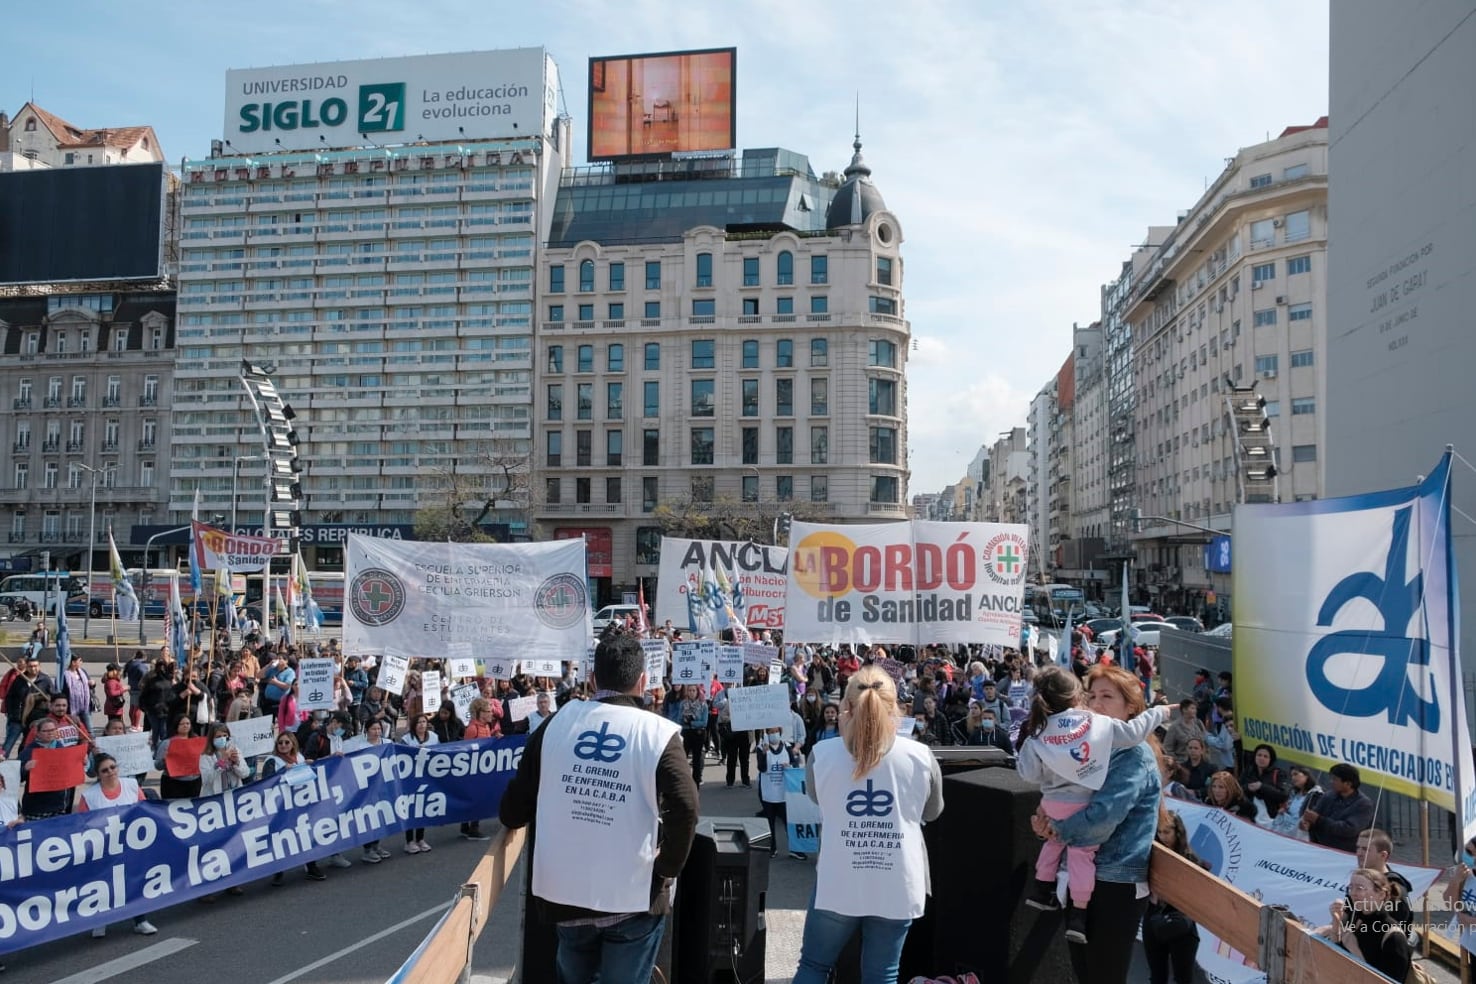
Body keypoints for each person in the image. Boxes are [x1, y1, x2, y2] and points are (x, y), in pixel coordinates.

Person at [498, 631, 700, 984]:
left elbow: (514, 810)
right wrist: (666, 867)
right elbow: (686, 806)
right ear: (643, 681)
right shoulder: (659, 733)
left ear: (592, 679)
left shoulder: (555, 724)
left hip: (565, 895)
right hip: (631, 896)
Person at [792, 666, 944, 984]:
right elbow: (932, 812)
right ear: (896, 709)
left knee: (814, 966)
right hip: (897, 878)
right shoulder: (921, 756)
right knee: (882, 974)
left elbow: (818, 798)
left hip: (840, 876)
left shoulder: (822, 754)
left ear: (846, 708)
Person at [1031, 665, 1163, 984]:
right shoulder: (1093, 748)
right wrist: (1044, 819)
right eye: (1091, 696)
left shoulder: (1134, 755)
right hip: (1082, 876)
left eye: (1107, 696)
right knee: (1085, 972)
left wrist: (1054, 830)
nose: (1096, 704)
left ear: (1131, 708)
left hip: (1114, 883)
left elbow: (1101, 820)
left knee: (1103, 976)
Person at [76, 753, 159, 936]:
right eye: (105, 770)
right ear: (98, 774)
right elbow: (82, 823)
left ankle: (140, 920)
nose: (110, 772)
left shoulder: (131, 785)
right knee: (104, 884)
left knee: (133, 882)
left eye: (113, 767)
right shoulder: (90, 796)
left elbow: (144, 810)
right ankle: (101, 921)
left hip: (131, 844)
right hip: (104, 847)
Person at [1318, 868, 1412, 981]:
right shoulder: (1356, 919)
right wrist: (1336, 924)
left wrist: (1355, 950)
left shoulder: (1394, 936)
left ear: (1381, 894)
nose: (1353, 893)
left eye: (1360, 888)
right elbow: (1338, 959)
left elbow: (1391, 980)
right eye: (1351, 888)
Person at [1141, 811, 1202, 984]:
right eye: (1159, 832)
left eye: (1167, 832)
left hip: (1180, 920)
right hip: (1153, 917)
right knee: (1157, 977)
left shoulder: (1190, 859)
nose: (1163, 836)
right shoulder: (1150, 854)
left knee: (1183, 979)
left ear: (1178, 831)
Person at [262, 733, 328, 884]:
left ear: (293, 743)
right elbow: (266, 782)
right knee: (281, 837)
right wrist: (281, 771)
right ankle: (278, 872)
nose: (283, 745)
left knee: (305, 834)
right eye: (280, 743)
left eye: (287, 742)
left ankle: (311, 866)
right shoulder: (272, 760)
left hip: (300, 803)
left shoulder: (299, 757)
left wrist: (308, 765)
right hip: (281, 806)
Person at [756, 724, 806, 860]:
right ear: (766, 734)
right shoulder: (761, 748)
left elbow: (794, 764)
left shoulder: (787, 746)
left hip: (784, 792)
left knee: (788, 821)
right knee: (769, 822)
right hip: (768, 791)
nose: (774, 734)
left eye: (776, 731)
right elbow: (761, 768)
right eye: (770, 732)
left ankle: (795, 848)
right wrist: (764, 753)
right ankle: (772, 848)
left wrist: (789, 766)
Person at [1301, 762, 1375, 852]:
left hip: (1342, 853)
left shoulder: (1364, 804)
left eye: (1335, 779)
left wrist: (1319, 820)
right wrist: (1307, 823)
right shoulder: (1328, 795)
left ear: (1348, 783)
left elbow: (1349, 829)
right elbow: (1315, 814)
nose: (1331, 782)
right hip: (1317, 847)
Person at [1356, 829, 1414, 939]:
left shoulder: (1395, 888)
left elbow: (1388, 928)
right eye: (1358, 848)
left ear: (1383, 855)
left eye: (1365, 849)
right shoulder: (1360, 880)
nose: (1359, 853)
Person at [356, 719, 395, 863]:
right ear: (367, 730)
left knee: (380, 816)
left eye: (379, 729)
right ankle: (367, 850)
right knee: (369, 818)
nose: (377, 732)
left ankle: (376, 845)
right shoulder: (361, 746)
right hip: (367, 789)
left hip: (384, 786)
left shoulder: (388, 743)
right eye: (373, 729)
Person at [400, 714, 439, 853]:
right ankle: (409, 841)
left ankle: (420, 839)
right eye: (419, 722)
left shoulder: (434, 737)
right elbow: (401, 756)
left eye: (424, 721)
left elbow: (439, 753)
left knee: (422, 807)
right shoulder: (406, 739)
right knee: (411, 808)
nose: (422, 724)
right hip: (411, 778)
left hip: (427, 777)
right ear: (414, 725)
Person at [154, 715, 203, 800]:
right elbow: (157, 766)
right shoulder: (167, 743)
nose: (185, 726)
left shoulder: (197, 741)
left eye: (187, 723)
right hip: (173, 784)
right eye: (182, 724)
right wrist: (165, 760)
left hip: (194, 783)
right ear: (176, 726)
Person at [677, 684, 710, 787]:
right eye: (690, 690)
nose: (691, 692)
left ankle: (696, 783)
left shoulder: (703, 704)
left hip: (698, 733)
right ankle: (683, 781)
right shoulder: (683, 704)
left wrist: (692, 722)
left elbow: (704, 722)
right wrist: (685, 720)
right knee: (683, 758)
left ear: (697, 692)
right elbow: (679, 720)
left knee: (696, 759)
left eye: (693, 690)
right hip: (686, 732)